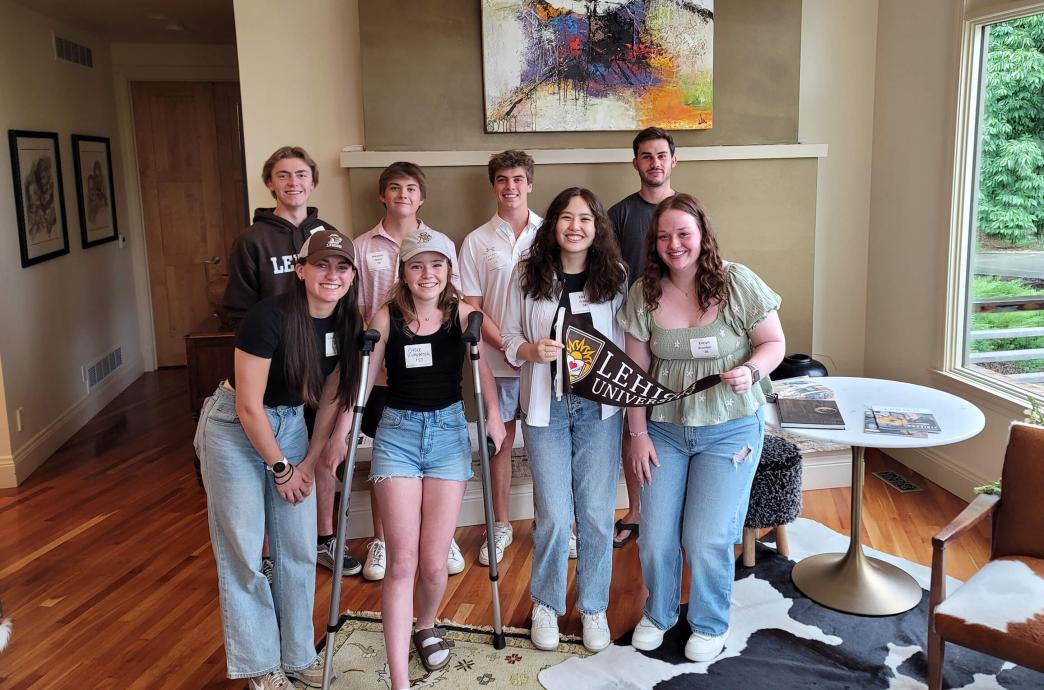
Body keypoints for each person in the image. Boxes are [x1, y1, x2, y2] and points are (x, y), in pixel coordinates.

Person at [617, 193, 785, 662]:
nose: (675, 243)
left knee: (706, 535)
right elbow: (634, 375)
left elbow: (773, 341)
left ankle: (710, 624)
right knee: (653, 534)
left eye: (684, 233)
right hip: (665, 430)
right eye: (665, 236)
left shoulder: (736, 282)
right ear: (654, 244)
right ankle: (660, 612)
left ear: (702, 235)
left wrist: (752, 370)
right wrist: (637, 435)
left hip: (729, 429)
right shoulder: (643, 294)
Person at [195, 229, 364, 689]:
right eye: (322, 265)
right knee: (246, 553)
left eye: (342, 266)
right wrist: (282, 468)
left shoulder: (348, 322)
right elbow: (249, 405)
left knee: (297, 547)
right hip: (234, 429)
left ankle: (296, 655)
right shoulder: (266, 317)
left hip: (291, 425)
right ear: (301, 269)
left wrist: (309, 461)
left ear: (352, 275)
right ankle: (260, 667)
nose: (332, 274)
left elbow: (332, 394)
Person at [341, 228, 506, 690]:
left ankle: (425, 623)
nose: (427, 274)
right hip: (397, 433)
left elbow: (483, 370)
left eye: (436, 265)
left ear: (449, 271)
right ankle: (399, 680)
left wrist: (493, 417)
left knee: (434, 564)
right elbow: (365, 379)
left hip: (450, 434)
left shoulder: (464, 316)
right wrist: (341, 435)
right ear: (404, 272)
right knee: (401, 561)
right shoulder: (387, 315)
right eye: (417, 265)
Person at [221, 145, 361, 580]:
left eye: (301, 174)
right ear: (270, 183)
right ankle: (266, 551)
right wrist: (274, 345)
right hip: (272, 367)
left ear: (313, 182)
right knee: (269, 464)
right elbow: (239, 312)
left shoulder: (330, 233)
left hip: (321, 365)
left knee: (319, 457)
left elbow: (344, 309)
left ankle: (322, 538)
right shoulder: (252, 241)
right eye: (283, 175)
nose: (293, 182)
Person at [501, 188, 628, 653]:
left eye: (585, 219)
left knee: (595, 515)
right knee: (554, 514)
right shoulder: (527, 274)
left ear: (597, 229)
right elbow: (510, 336)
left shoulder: (615, 278)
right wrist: (530, 351)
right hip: (545, 409)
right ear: (553, 224)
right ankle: (547, 604)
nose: (576, 227)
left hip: (600, 411)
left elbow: (628, 342)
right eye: (567, 218)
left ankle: (593, 605)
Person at [328, 161, 465, 581]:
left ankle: (440, 537)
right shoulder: (362, 244)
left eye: (411, 188)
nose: (403, 195)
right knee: (385, 456)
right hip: (382, 365)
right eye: (394, 188)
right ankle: (383, 541)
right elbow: (352, 307)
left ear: (421, 196)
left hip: (428, 373)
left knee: (435, 460)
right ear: (382, 195)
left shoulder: (438, 243)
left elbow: (452, 304)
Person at [457, 150, 542, 566]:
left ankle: (553, 522)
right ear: (494, 186)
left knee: (549, 444)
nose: (510, 186)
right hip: (496, 362)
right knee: (499, 443)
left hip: (545, 363)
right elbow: (470, 307)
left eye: (518, 179)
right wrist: (507, 346)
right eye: (503, 180)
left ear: (529, 184)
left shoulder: (550, 234)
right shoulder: (476, 241)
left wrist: (532, 349)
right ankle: (502, 525)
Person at [607, 127, 678, 549]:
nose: (654, 162)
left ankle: (671, 511)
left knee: (673, 421)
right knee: (632, 426)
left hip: (680, 337)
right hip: (631, 333)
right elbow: (608, 279)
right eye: (646, 156)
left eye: (661, 155)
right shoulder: (618, 215)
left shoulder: (686, 211)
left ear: (673, 161)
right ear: (635, 162)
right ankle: (636, 509)